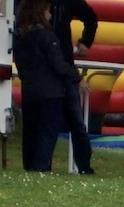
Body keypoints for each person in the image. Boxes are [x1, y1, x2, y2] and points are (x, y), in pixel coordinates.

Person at [13, 0, 80, 173]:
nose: (50, 14)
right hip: (50, 91)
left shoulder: (20, 36)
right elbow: (57, 64)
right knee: (47, 132)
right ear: (41, 12)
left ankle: (30, 167)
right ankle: (41, 167)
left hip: (29, 91)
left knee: (31, 133)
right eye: (48, 10)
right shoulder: (46, 36)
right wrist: (76, 76)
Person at [48, 0, 97, 174]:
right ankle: (43, 164)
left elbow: (91, 17)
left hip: (63, 64)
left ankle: (83, 166)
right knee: (58, 121)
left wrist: (86, 41)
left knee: (75, 121)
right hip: (50, 66)